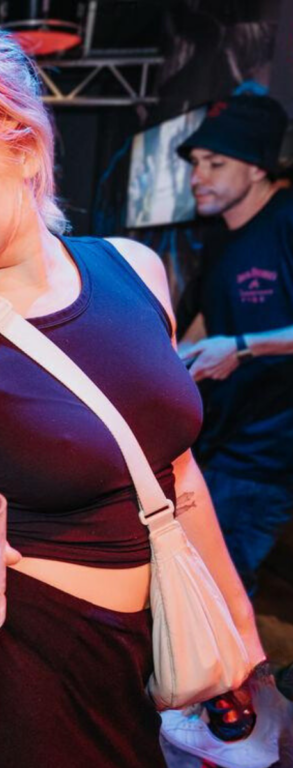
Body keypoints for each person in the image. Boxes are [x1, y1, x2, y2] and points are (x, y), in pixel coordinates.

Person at [0, 24, 266, 767]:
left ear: (25, 150)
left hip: (131, 674)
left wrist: (239, 632)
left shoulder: (135, 272)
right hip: (10, 698)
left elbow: (179, 476)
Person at [174, 94, 293, 594]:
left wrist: (244, 347)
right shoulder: (220, 235)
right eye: (196, 163)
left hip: (266, 458)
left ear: (259, 170)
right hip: (217, 444)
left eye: (216, 163)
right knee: (192, 593)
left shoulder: (287, 221)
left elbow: (233, 339)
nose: (198, 176)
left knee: (220, 601)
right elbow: (205, 328)